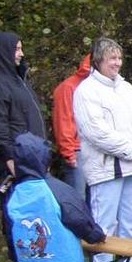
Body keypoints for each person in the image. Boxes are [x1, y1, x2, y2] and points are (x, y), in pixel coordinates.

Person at [5, 133, 105, 262]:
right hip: (62, 254)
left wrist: (15, 253)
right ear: (45, 160)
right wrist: (95, 235)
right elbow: (78, 217)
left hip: (30, 257)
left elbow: (9, 227)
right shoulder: (57, 190)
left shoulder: (14, 193)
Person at [73, 37, 132, 262]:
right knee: (104, 220)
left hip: (130, 166)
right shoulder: (86, 91)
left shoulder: (126, 89)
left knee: (130, 216)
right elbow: (96, 131)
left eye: (119, 58)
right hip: (105, 167)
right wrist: (130, 149)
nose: (116, 63)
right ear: (98, 61)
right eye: (111, 59)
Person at [0, 32, 46, 262]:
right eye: (17, 49)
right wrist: (10, 160)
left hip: (31, 156)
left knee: (31, 206)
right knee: (15, 207)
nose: (21, 54)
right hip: (14, 158)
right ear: (5, 51)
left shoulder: (18, 79)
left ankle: (32, 249)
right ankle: (17, 252)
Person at [52, 54, 92, 198]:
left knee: (95, 202)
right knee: (77, 200)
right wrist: (69, 153)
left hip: (96, 150)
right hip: (77, 151)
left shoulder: (101, 86)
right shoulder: (68, 87)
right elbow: (63, 121)